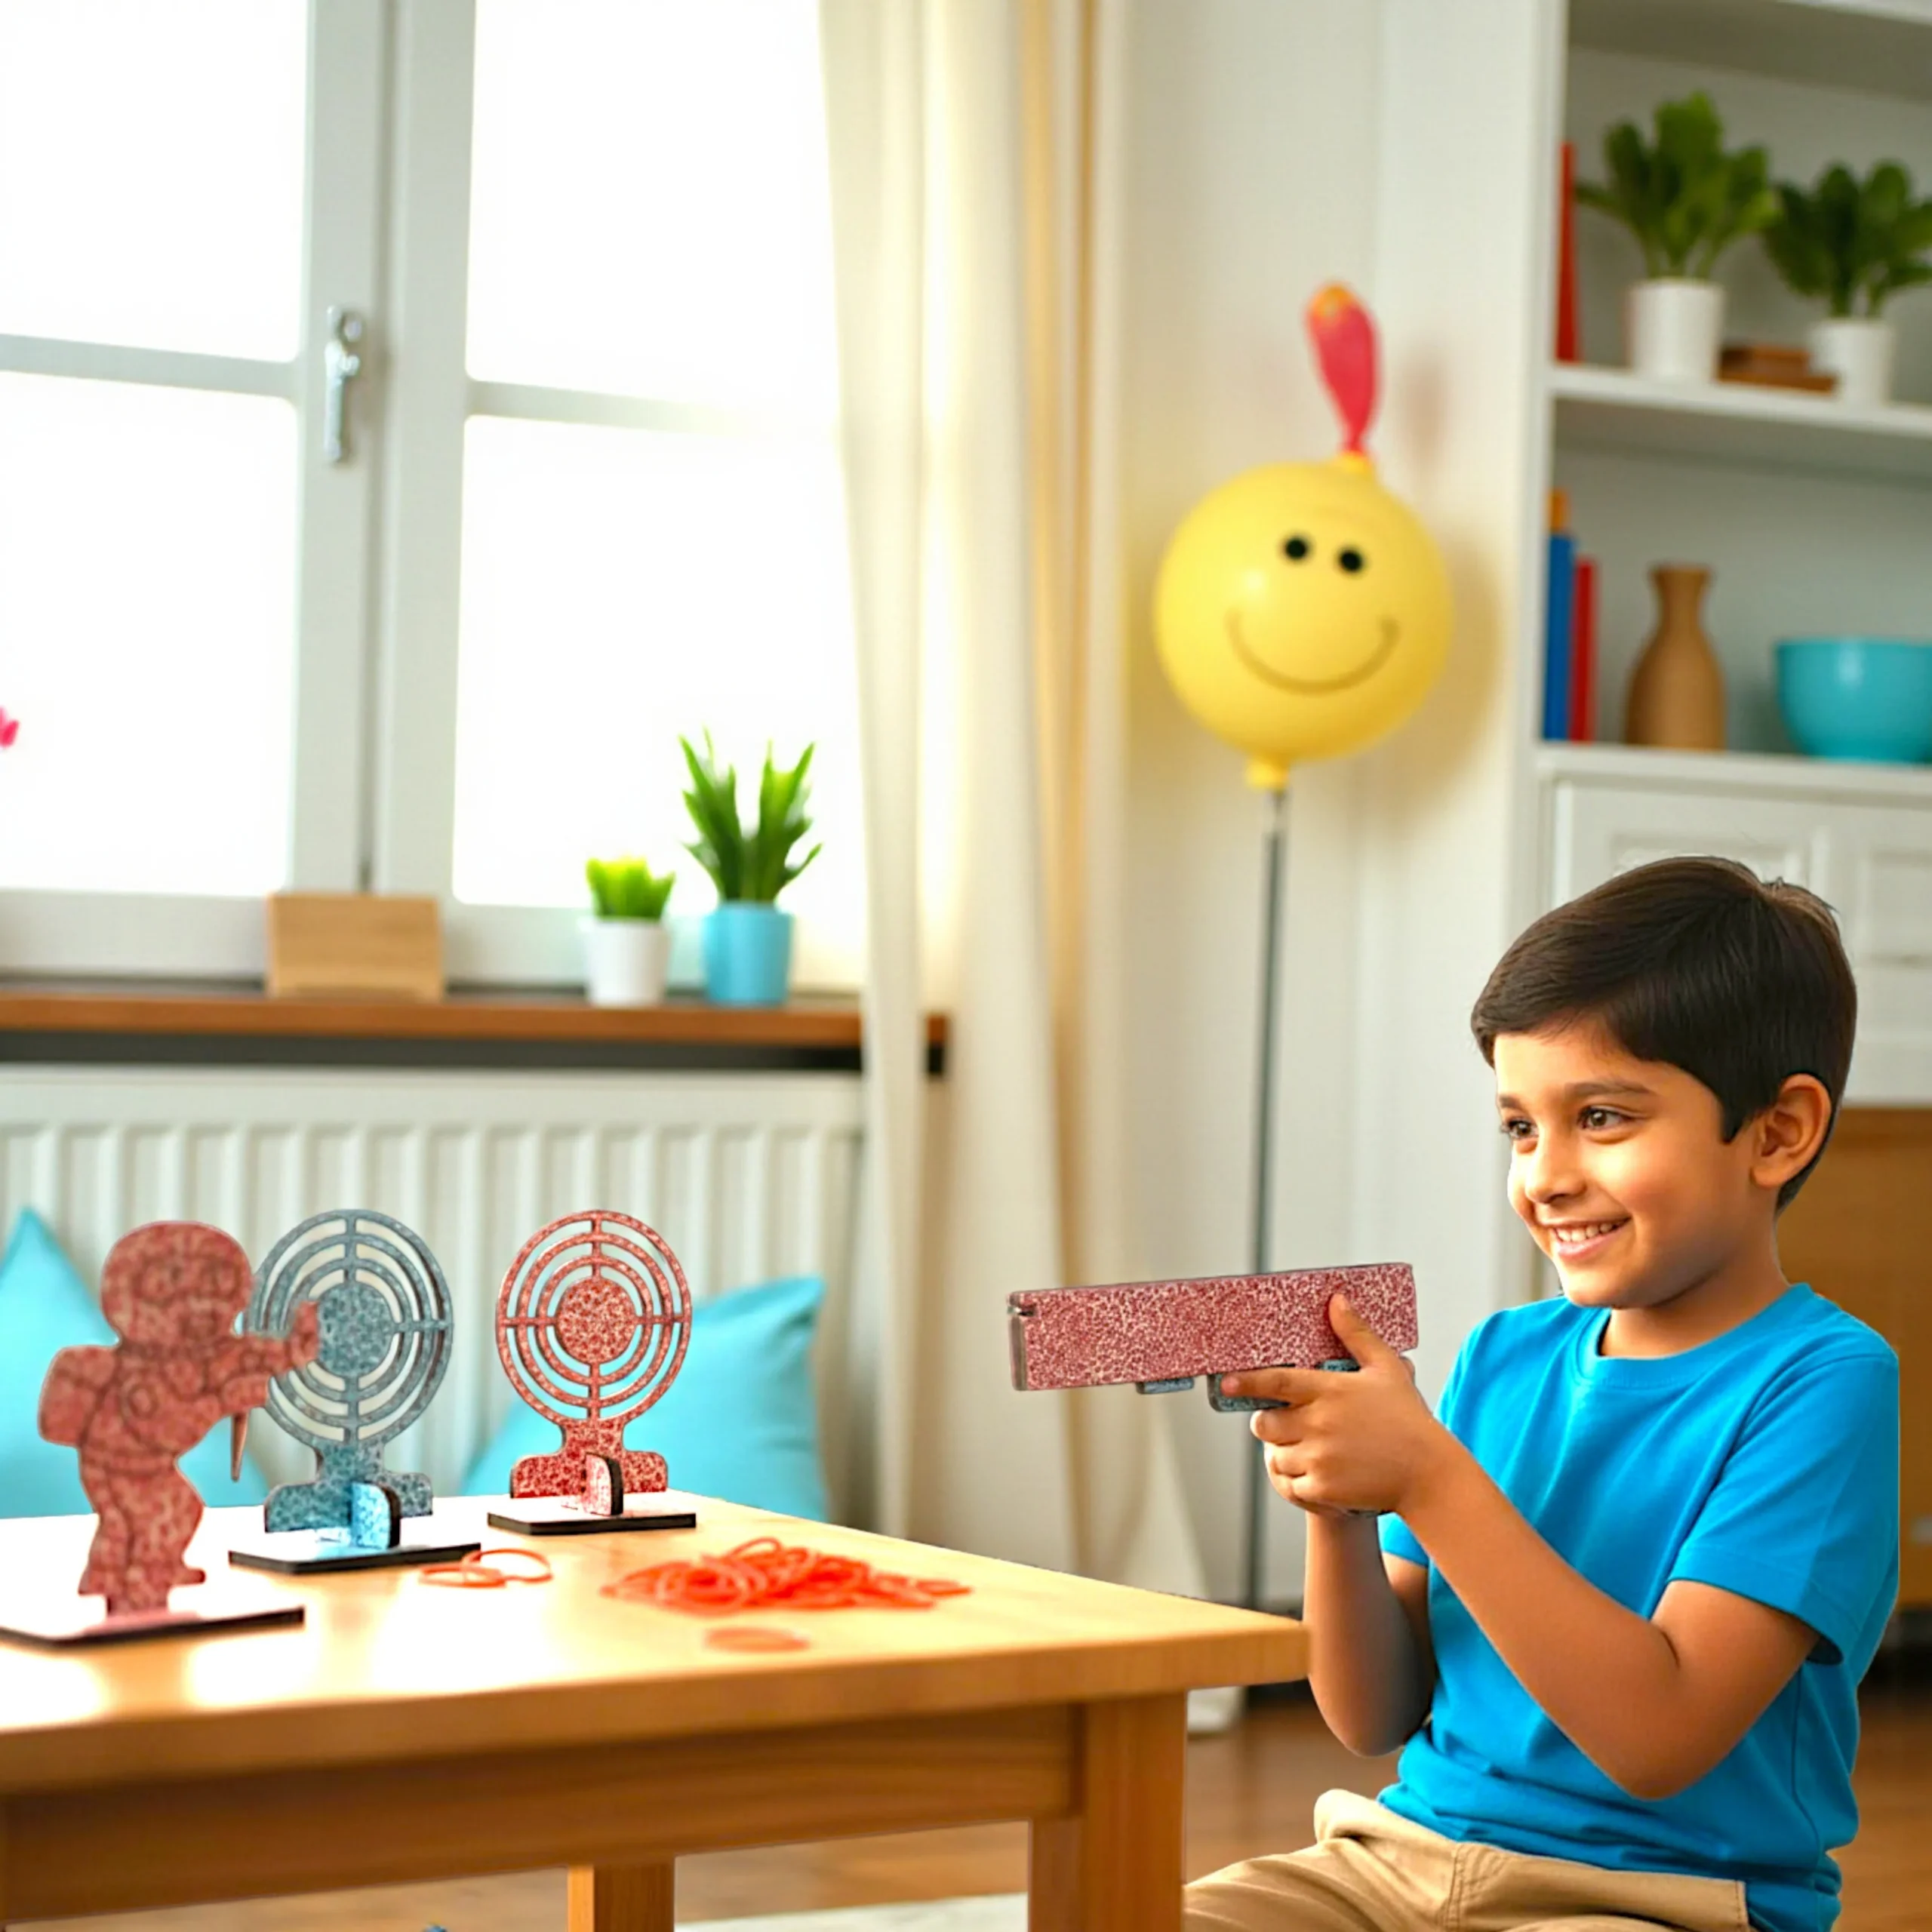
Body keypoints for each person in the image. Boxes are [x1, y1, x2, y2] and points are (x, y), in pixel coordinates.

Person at [1187, 857, 1899, 1932]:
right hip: (1394, 1863)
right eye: (1520, 1126)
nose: (1544, 1174)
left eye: (1603, 1117)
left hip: (1656, 1900)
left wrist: (1426, 1476)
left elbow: (1659, 1735)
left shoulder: (1823, 1385)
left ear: (1778, 1132)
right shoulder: (1500, 1357)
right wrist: (1341, 1510)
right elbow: (1374, 1713)